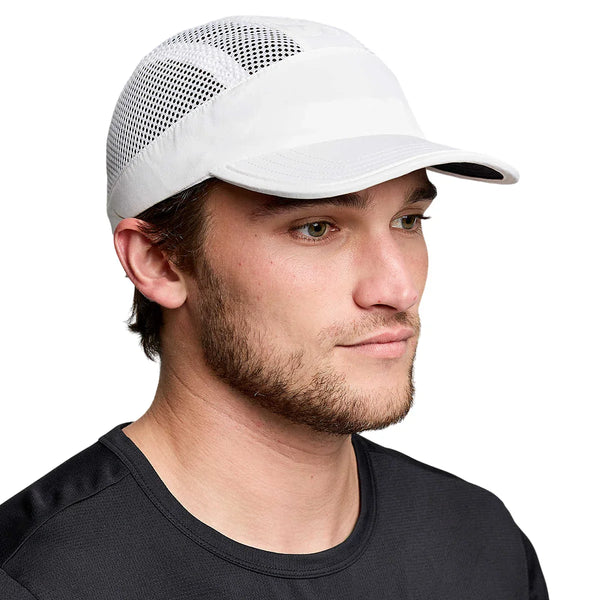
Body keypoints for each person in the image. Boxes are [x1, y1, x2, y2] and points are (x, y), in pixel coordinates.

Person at [0, 16, 549, 599]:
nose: (398, 288)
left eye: (408, 220)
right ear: (159, 262)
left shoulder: (480, 545)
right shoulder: (36, 580)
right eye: (316, 227)